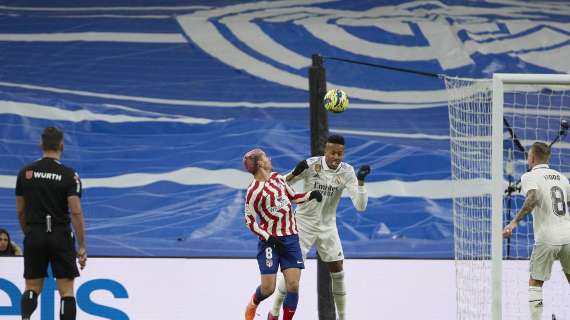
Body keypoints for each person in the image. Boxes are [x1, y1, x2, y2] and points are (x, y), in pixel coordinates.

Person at [269, 134, 370, 320]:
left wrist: (361, 182)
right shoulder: (311, 164)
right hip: (302, 224)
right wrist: (293, 173)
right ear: (325, 151)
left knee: (338, 269)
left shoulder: (347, 171)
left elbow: (360, 206)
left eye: (340, 153)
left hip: (327, 226)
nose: (336, 157)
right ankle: (274, 312)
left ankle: (342, 317)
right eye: (333, 152)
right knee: (292, 273)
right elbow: (279, 185)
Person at [15, 127, 87, 320]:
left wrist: (28, 233)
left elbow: (20, 210)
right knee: (66, 291)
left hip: (35, 233)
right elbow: (76, 211)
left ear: (41, 145)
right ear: (62, 146)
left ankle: (25, 318)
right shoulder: (69, 175)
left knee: (32, 287)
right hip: (60, 234)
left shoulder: (25, 172)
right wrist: (82, 246)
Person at [242, 148, 322, 320]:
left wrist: (310, 195)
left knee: (293, 285)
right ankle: (253, 304)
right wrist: (266, 236)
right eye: (266, 157)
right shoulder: (253, 191)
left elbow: (294, 198)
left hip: (291, 238)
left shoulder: (278, 178)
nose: (270, 159)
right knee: (268, 289)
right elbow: (249, 221)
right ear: (261, 163)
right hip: (270, 242)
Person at [503, 142, 570, 320]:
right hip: (568, 235)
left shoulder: (529, 176)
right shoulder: (561, 178)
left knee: (536, 282)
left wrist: (514, 222)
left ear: (532, 158)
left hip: (547, 237)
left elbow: (532, 198)